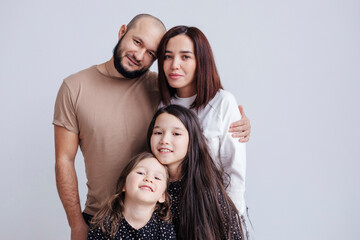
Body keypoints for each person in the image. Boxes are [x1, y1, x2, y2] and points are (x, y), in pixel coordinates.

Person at [53, 14, 251, 240]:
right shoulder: (76, 87)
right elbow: (64, 160)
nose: (139, 56)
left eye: (151, 54)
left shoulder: (164, 92)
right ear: (122, 32)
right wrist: (76, 224)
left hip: (168, 219)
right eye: (137, 42)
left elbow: (232, 170)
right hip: (100, 216)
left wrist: (238, 120)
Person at [156, 25, 250, 231]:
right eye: (168, 56)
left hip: (210, 216)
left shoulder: (223, 102)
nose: (174, 65)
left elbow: (234, 172)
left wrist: (231, 225)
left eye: (185, 57)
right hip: (169, 215)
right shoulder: (163, 105)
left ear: (201, 61)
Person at [147, 105, 243, 240]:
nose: (164, 140)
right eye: (158, 133)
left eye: (176, 134)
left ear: (191, 140)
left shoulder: (207, 191)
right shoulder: (146, 182)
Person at [87, 152, 176, 240]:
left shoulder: (165, 229)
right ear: (123, 185)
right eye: (141, 173)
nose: (149, 179)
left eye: (157, 178)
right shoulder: (103, 225)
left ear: (162, 196)